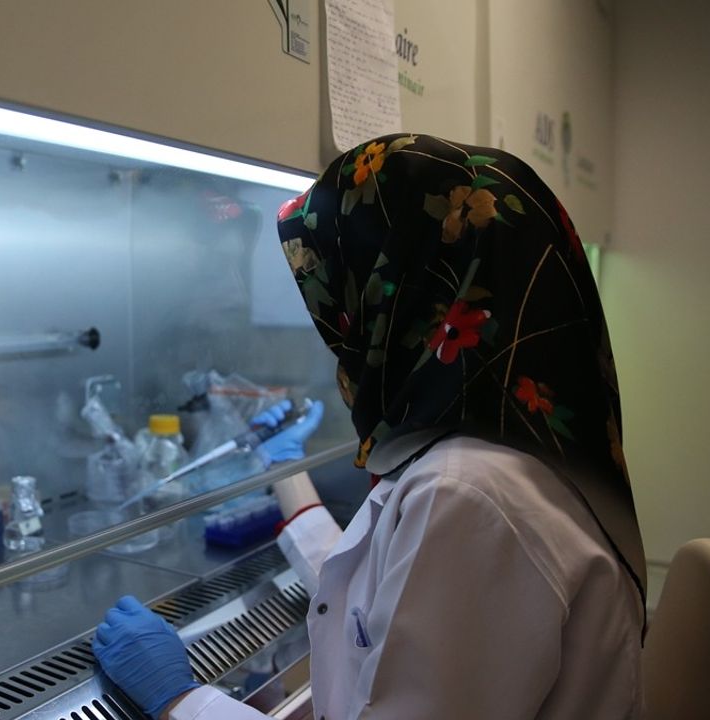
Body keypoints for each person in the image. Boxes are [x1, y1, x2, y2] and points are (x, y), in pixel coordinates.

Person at [92, 134, 647, 719]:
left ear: (402, 291)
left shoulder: (469, 493)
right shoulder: (517, 444)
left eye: (339, 291)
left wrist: (182, 701)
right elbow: (386, 603)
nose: (337, 327)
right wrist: (285, 468)